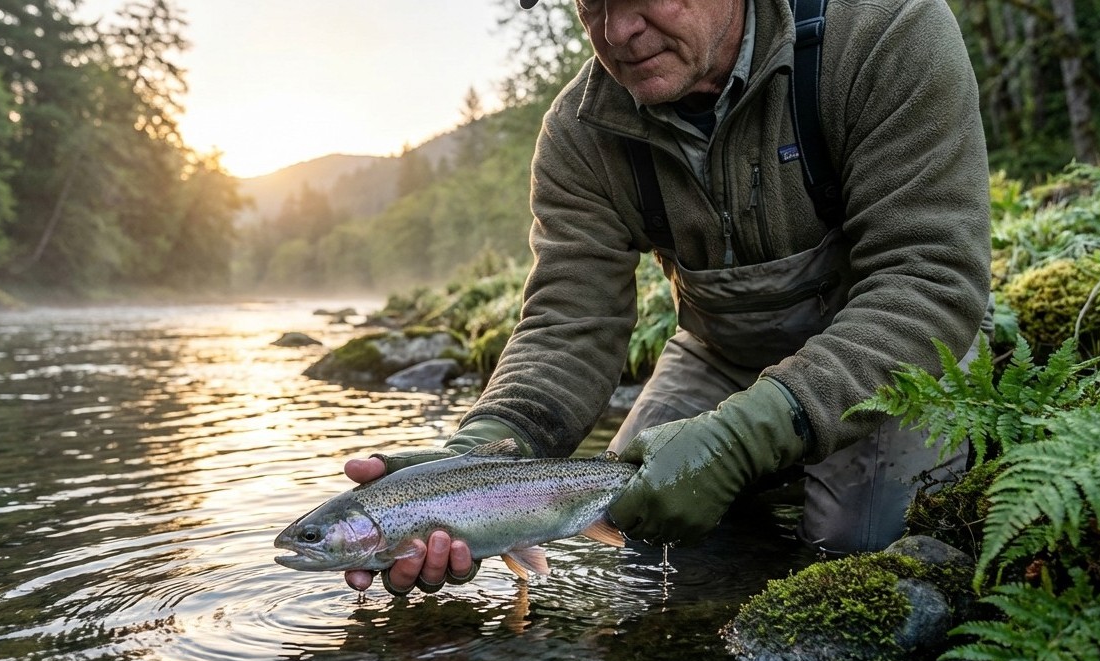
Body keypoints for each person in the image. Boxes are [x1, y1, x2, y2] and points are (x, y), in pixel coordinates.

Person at [342, 0, 991, 595]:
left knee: (855, 561)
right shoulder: (580, 132)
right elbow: (569, 323)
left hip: (894, 347)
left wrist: (739, 440)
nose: (617, 31)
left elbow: (927, 281)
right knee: (642, 540)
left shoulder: (884, 33)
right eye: (592, 5)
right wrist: (469, 464)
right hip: (718, 351)